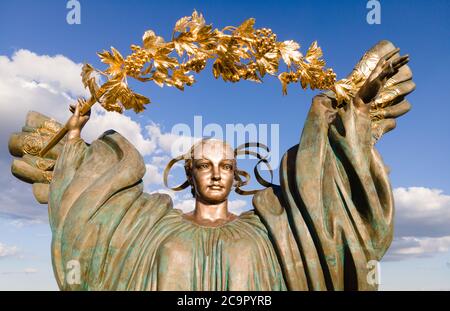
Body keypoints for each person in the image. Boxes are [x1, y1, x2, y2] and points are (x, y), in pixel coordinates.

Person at [9, 40, 414, 290]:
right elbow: (89, 215)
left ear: (237, 174)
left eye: (225, 165)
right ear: (190, 173)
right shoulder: (149, 226)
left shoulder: (268, 230)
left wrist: (347, 125)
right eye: (205, 165)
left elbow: (323, 207)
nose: (217, 173)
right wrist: (74, 141)